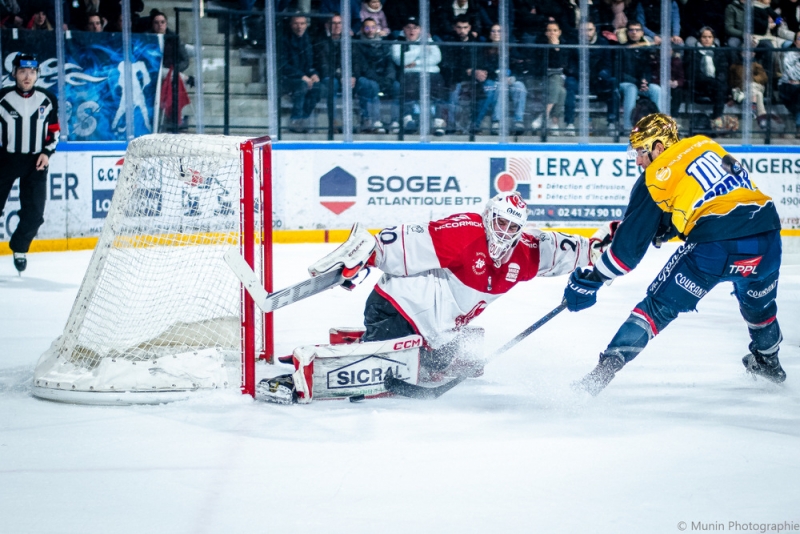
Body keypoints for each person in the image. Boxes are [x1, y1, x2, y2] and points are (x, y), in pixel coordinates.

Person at [563, 113, 784, 395]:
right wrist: (666, 228)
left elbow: (625, 255)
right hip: (767, 235)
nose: (639, 161)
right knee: (759, 307)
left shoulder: (654, 176)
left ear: (658, 146)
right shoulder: (706, 145)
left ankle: (600, 375)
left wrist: (593, 278)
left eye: (641, 152)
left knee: (656, 308)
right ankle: (770, 362)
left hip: (714, 247)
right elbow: (713, 196)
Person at [307, 192, 613, 379]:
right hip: (396, 312)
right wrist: (372, 252)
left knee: (439, 363)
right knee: (393, 371)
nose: (505, 232)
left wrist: (600, 248)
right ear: (489, 217)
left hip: (435, 330)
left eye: (513, 227)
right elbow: (412, 241)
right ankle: (364, 348)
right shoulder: (466, 232)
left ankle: (379, 346)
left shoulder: (526, 252)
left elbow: (564, 248)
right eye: (501, 223)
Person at [0, 54, 60, 273]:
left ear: (37, 74)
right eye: (23, 71)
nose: (28, 76)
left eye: (32, 72)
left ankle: (19, 247)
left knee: (35, 215)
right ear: (14, 72)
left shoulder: (47, 98)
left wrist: (46, 153)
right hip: (6, 159)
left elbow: (54, 130)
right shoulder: (2, 97)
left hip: (36, 161)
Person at [391, 16, 448, 135]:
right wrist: (421, 49)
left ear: (421, 30)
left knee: (439, 84)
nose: (412, 31)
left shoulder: (429, 41)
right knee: (408, 86)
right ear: (404, 29)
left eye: (415, 28)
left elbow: (437, 58)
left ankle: (438, 122)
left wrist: (416, 62)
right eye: (409, 27)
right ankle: (408, 120)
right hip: (410, 75)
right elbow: (400, 60)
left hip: (431, 74)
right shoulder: (398, 42)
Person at [565, 21, 620, 136]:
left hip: (597, 79)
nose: (587, 33)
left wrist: (600, 75)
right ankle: (569, 123)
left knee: (613, 83)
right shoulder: (573, 43)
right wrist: (581, 74)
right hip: (578, 78)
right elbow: (569, 66)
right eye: (583, 30)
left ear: (595, 30)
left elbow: (608, 65)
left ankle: (612, 122)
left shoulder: (603, 43)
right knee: (569, 83)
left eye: (589, 30)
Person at [474, 24, 527, 135]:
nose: (496, 33)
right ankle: (496, 121)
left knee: (520, 87)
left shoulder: (511, 49)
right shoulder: (484, 49)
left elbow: (518, 66)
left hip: (509, 81)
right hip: (492, 81)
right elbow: (485, 68)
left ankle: (518, 121)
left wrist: (512, 78)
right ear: (489, 34)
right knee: (499, 87)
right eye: (493, 31)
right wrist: (498, 77)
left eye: (499, 31)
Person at [354, 17, 399, 133]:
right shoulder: (357, 44)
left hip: (383, 78)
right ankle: (374, 120)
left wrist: (388, 78)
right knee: (371, 86)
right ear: (362, 29)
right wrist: (379, 79)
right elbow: (363, 67)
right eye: (367, 27)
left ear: (377, 28)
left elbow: (390, 63)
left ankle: (396, 121)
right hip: (367, 78)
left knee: (397, 86)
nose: (370, 30)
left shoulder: (384, 43)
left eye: (373, 27)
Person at [280, 14, 321, 133]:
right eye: (296, 23)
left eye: (302, 23)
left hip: (304, 77)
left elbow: (312, 63)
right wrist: (301, 76)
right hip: (287, 79)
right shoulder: (284, 40)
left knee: (317, 87)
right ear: (291, 25)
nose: (299, 27)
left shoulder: (309, 41)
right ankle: (296, 119)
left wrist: (313, 73)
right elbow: (283, 65)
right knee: (302, 86)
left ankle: (304, 117)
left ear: (306, 25)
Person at [619, 21, 661, 131]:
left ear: (642, 32)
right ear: (627, 32)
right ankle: (628, 126)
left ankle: (656, 125)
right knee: (631, 89)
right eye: (631, 30)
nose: (634, 32)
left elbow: (647, 68)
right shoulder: (622, 48)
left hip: (640, 84)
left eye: (637, 30)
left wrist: (645, 81)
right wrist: (638, 83)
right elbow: (620, 72)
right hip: (625, 83)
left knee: (656, 89)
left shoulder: (646, 48)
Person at [530, 21, 571, 135]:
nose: (552, 33)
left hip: (558, 76)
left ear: (559, 32)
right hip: (544, 76)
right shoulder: (541, 45)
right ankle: (554, 122)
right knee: (561, 91)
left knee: (560, 87)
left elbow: (563, 64)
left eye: (554, 30)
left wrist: (557, 49)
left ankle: (544, 116)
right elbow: (541, 64)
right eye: (549, 30)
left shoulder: (564, 45)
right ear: (546, 33)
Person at [686, 27, 729, 130]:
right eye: (704, 37)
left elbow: (723, 70)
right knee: (719, 86)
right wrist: (710, 80)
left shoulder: (719, 52)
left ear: (713, 39)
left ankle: (716, 119)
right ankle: (715, 121)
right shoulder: (693, 52)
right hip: (698, 86)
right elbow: (692, 72)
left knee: (721, 88)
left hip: (714, 86)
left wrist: (717, 80)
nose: (707, 39)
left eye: (710, 37)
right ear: (700, 38)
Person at [779, 31, 800, 137]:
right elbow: (792, 75)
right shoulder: (789, 55)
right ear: (795, 42)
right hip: (786, 86)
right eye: (799, 39)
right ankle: (798, 126)